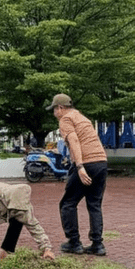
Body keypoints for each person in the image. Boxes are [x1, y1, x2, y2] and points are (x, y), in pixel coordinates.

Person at [48, 93, 108, 256]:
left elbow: (74, 140)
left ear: (60, 108)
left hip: (86, 163)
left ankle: (74, 242)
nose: (54, 113)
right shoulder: (83, 118)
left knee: (68, 203)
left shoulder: (65, 119)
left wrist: (80, 166)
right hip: (101, 162)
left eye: (54, 109)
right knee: (94, 204)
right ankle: (97, 244)